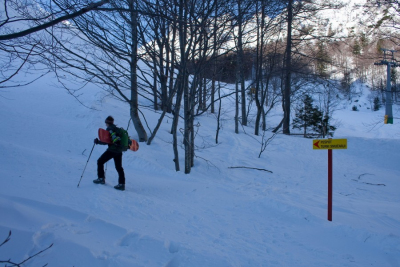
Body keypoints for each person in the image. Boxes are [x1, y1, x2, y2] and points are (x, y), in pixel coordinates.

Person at [93, 116, 126, 191]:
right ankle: (122, 184)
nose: (105, 124)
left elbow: (107, 141)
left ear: (107, 123)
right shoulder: (118, 129)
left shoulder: (110, 129)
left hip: (112, 150)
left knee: (100, 161)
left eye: (106, 123)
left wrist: (98, 142)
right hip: (119, 151)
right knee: (119, 167)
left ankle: (101, 178)